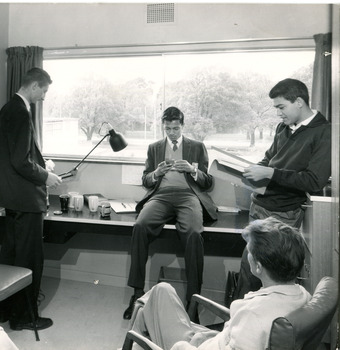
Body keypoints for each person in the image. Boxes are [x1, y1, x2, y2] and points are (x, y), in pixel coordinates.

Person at [124, 217, 311, 350]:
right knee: (155, 298)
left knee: (154, 297)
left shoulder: (254, 316)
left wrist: (184, 346)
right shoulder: (302, 295)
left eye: (249, 252)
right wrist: (208, 337)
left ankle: (135, 337)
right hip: (213, 341)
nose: (248, 255)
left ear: (259, 267)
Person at [233, 78, 332, 299]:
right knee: (250, 270)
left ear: (298, 102)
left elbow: (314, 181)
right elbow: (270, 158)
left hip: (281, 214)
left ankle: (241, 325)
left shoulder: (324, 132)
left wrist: (270, 173)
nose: (279, 114)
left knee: (261, 275)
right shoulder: (284, 127)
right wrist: (256, 169)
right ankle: (241, 323)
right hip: (259, 206)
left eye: (281, 107)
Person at [123, 106, 217, 320]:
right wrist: (156, 173)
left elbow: (209, 182)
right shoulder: (154, 148)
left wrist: (193, 170)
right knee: (139, 226)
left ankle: (193, 301)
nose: (172, 133)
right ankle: (137, 293)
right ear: (163, 127)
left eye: (175, 128)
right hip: (161, 196)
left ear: (182, 126)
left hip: (188, 196)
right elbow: (146, 180)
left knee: (194, 233)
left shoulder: (197, 147)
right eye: (168, 128)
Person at [0, 67, 62, 331]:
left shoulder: (7, 108)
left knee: (11, 257)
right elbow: (21, 161)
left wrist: (43, 163)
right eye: (43, 91)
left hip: (11, 200)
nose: (44, 96)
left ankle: (7, 311)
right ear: (34, 86)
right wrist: (47, 177)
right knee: (29, 260)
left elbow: (17, 155)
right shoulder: (21, 112)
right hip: (25, 200)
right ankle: (24, 317)